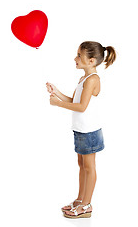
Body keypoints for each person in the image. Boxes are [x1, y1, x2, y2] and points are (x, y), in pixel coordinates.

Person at [46, 41, 116, 219]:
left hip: (89, 132)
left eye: (79, 55)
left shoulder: (93, 80)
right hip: (81, 130)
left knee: (89, 167)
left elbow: (82, 107)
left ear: (91, 61)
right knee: (82, 165)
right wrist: (57, 93)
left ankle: (87, 205)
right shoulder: (83, 79)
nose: (75, 58)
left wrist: (57, 104)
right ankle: (80, 199)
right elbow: (74, 101)